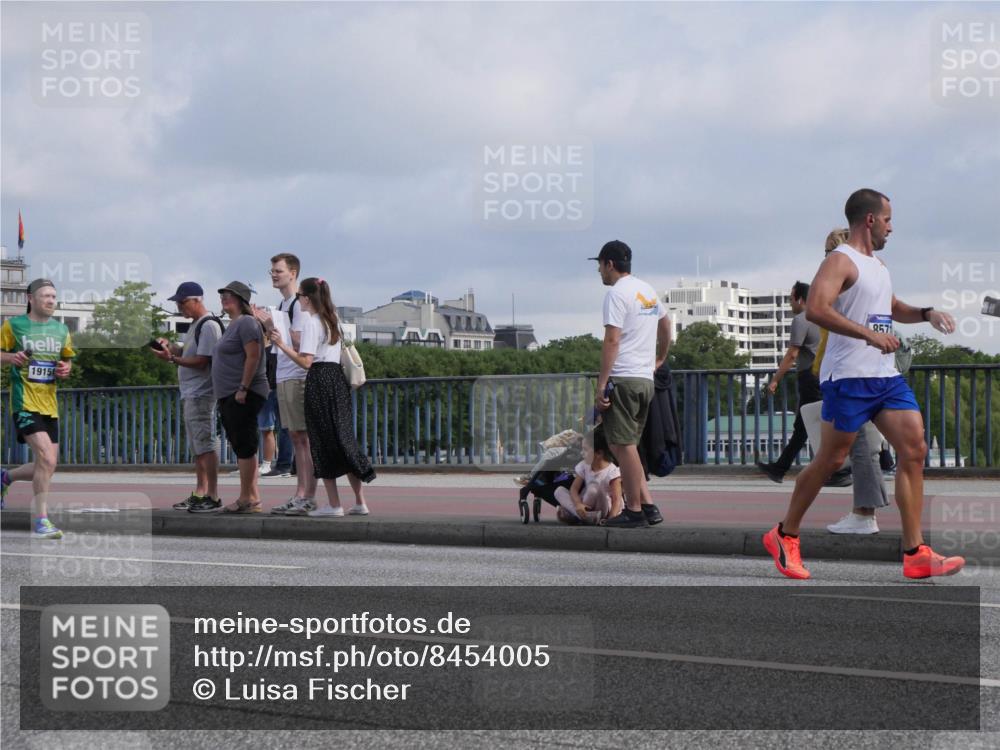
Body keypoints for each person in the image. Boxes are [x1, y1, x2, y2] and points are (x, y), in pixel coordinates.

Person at [763, 189, 965, 579]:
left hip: (885, 377)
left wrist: (926, 313)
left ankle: (915, 551)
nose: (892, 226)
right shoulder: (841, 261)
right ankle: (784, 534)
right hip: (848, 378)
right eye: (888, 219)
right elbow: (817, 309)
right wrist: (867, 336)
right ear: (869, 219)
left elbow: (891, 308)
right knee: (830, 461)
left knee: (914, 448)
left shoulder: (879, 265)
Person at [801, 227, 891, 534]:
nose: (825, 260)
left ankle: (864, 514)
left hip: (850, 374)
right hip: (868, 372)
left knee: (857, 446)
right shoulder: (869, 279)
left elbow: (824, 322)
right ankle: (866, 510)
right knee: (861, 445)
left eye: (829, 253)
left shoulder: (842, 285)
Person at [268, 277, 375, 516]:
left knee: (322, 442)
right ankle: (359, 501)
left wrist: (282, 344)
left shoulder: (313, 323)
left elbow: (306, 361)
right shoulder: (333, 318)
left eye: (300, 297)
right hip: (337, 379)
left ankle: (334, 504)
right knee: (344, 439)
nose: (299, 301)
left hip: (319, 380)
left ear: (306, 298)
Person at [591, 240, 671, 528]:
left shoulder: (616, 294)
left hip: (623, 378)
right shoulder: (646, 290)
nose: (599, 271)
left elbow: (612, 339)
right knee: (629, 446)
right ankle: (648, 506)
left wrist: (601, 385)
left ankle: (634, 510)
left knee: (620, 445)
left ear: (609, 264)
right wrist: (660, 357)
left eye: (599, 265)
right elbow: (666, 325)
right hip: (644, 380)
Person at [0, 279, 75, 539]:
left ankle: (4, 478)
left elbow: (66, 361)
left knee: (49, 464)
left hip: (49, 406)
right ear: (30, 298)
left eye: (54, 296)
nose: (51, 301)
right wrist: (11, 357)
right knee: (46, 458)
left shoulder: (61, 330)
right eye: (46, 296)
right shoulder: (14, 325)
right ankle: (41, 520)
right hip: (24, 403)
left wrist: (66, 369)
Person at [254, 253, 318, 515]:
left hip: (296, 376)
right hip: (284, 375)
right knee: (296, 437)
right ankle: (300, 494)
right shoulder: (283, 305)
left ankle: (306, 495)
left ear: (293, 273)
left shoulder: (298, 304)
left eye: (278, 270)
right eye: (272, 271)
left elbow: (302, 343)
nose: (274, 274)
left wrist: (272, 326)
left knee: (303, 439)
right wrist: (267, 323)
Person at [152, 282, 223, 513]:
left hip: (203, 392)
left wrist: (171, 359)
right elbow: (187, 352)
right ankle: (200, 492)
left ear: (197, 300)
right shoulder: (195, 325)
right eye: (177, 303)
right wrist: (170, 347)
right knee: (197, 446)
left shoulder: (209, 325)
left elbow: (203, 361)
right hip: (192, 392)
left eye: (182, 302)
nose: (180, 307)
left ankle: (212, 494)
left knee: (205, 443)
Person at [756, 281, 826, 483]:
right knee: (805, 425)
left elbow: (792, 354)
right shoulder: (824, 316)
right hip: (826, 375)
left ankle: (839, 469)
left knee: (810, 424)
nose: (789, 303)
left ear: (800, 299)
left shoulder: (802, 319)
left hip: (810, 377)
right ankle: (780, 467)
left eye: (790, 299)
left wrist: (775, 379)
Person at [213, 281, 269, 513]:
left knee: (244, 443)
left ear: (242, 300)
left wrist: (243, 388)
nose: (225, 298)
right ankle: (252, 496)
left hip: (244, 392)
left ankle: (246, 497)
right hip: (231, 392)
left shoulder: (246, 322)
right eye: (223, 294)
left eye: (230, 295)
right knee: (241, 443)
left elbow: (253, 356)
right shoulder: (235, 324)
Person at [553, 427, 623, 525]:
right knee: (558, 491)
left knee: (593, 488)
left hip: (603, 508)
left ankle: (578, 516)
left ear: (599, 453)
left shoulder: (612, 471)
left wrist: (611, 520)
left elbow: (617, 500)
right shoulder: (584, 466)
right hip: (585, 505)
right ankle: (585, 516)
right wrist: (578, 504)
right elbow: (574, 489)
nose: (582, 453)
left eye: (585, 450)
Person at [258, 345, 294, 477]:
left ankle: (282, 465)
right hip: (282, 387)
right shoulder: (287, 349)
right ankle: (288, 465)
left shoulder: (267, 351)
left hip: (272, 389)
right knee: (287, 428)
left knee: (274, 428)